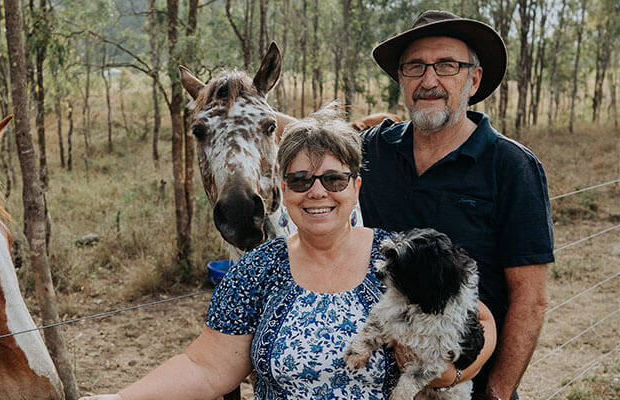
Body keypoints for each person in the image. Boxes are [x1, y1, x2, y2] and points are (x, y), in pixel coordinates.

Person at [82, 107, 496, 400]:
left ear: (356, 187)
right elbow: (205, 368)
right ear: (283, 191)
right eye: (300, 180)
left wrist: (453, 373)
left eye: (333, 179)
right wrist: (120, 397)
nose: (317, 191)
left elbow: (480, 318)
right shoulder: (258, 270)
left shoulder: (400, 258)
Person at [358, 10, 555, 400]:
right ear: (400, 77)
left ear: (474, 79)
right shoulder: (370, 152)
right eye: (415, 66)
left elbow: (529, 301)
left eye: (447, 65)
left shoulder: (511, 167)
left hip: (464, 383)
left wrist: (496, 394)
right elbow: (307, 158)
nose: (429, 81)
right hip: (367, 384)